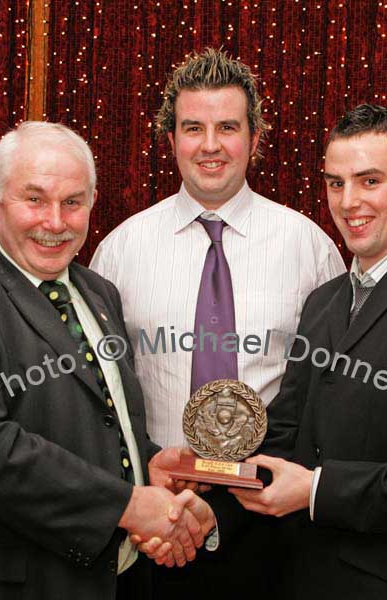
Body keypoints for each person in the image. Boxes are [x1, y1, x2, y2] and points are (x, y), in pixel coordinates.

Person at [186, 104, 387, 599]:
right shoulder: (324, 301)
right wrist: (213, 496)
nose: (348, 201)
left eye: (369, 181)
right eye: (336, 183)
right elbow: (285, 432)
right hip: (294, 574)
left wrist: (317, 491)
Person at [0, 121, 214, 600]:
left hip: (107, 578)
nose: (56, 221)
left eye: (73, 201)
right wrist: (126, 504)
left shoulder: (99, 293)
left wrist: (148, 463)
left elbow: (99, 419)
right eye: (35, 199)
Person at [90, 48, 345, 597]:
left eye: (227, 126)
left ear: (255, 138)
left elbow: (325, 393)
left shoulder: (312, 249)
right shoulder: (118, 251)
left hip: (268, 518)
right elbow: (100, 395)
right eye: (193, 128)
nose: (210, 145)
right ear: (171, 140)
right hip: (154, 518)